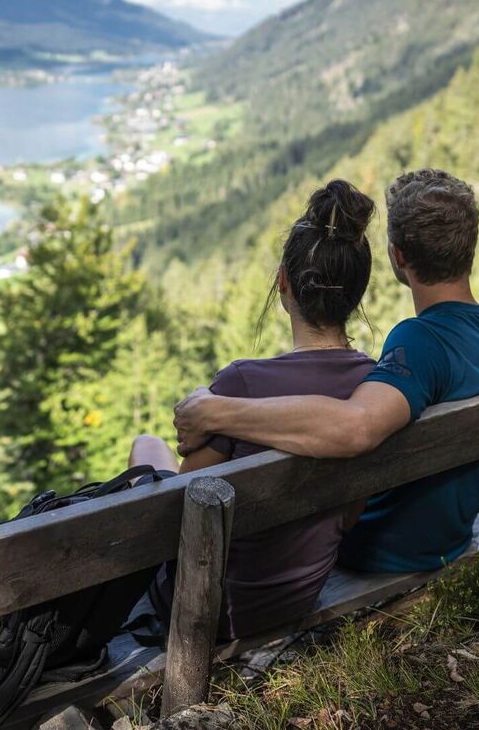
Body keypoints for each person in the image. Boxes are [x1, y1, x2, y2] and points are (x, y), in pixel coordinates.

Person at [174, 168, 479, 573]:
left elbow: (355, 428)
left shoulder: (420, 341)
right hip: (452, 537)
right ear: (470, 246)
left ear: (398, 255)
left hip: (382, 553)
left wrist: (217, 411)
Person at [129, 180, 378, 640]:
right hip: (300, 593)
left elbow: (182, 512)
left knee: (147, 446)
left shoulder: (239, 386)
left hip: (214, 610)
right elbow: (348, 516)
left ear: (284, 282)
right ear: (357, 292)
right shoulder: (373, 389)